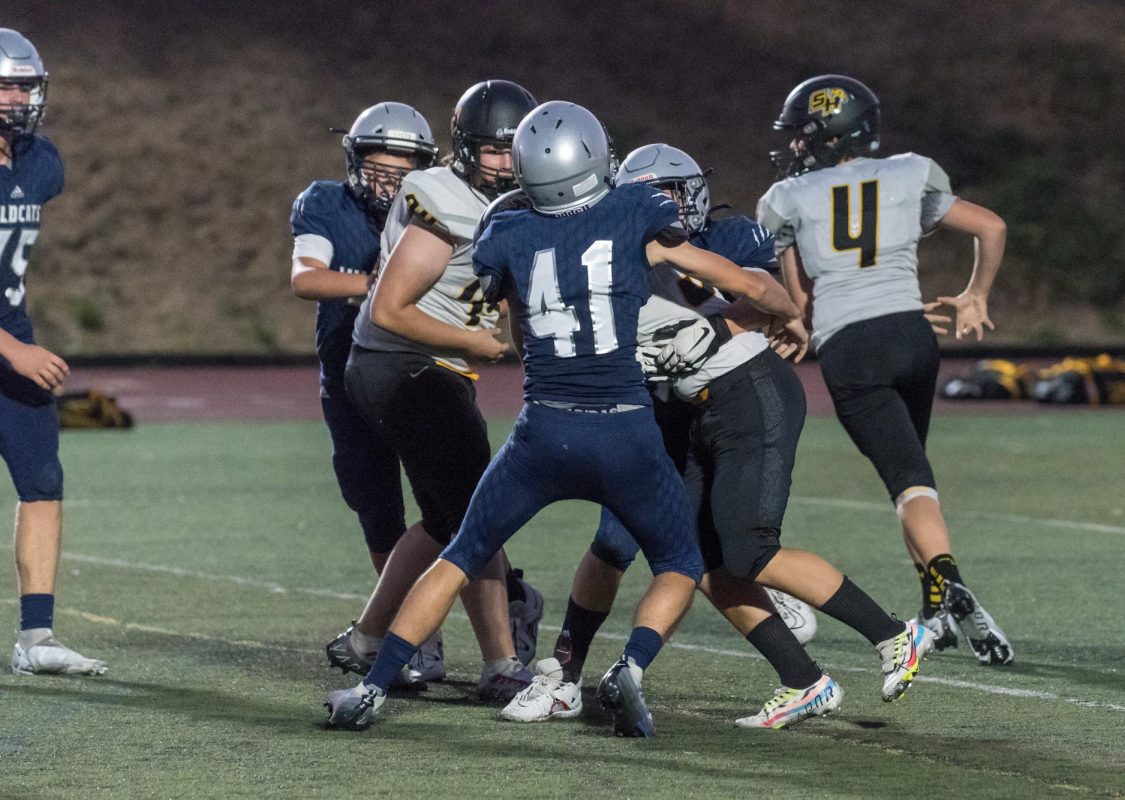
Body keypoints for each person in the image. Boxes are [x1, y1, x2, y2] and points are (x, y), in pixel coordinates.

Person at [324, 101, 804, 736]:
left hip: (544, 430)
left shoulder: (506, 229)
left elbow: (519, 329)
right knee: (683, 560)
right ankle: (630, 669)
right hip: (626, 428)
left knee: (462, 552)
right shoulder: (637, 212)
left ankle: (371, 687)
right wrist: (788, 311)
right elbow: (749, 286)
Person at [502, 144, 932, 730]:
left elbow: (758, 289)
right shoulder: (599, 254)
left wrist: (781, 319)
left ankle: (893, 633)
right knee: (696, 559)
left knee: (748, 546)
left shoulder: (681, 241)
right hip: (682, 407)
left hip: (741, 394)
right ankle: (804, 680)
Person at [757, 74, 1013, 665]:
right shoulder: (908, 170)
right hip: (912, 334)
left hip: (851, 346)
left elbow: (798, 304)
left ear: (826, 136)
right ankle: (935, 601)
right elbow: (992, 226)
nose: (795, 146)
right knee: (913, 478)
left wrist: (790, 327)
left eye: (803, 135)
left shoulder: (786, 198)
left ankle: (945, 579)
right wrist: (976, 295)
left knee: (906, 483)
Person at [323, 81, 543, 699]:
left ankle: (367, 637)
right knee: (480, 514)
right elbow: (391, 308)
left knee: (445, 520)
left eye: (514, 150)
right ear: (466, 149)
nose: (505, 163)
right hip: (404, 363)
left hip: (425, 370)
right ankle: (502, 664)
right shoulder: (442, 194)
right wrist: (476, 343)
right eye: (493, 151)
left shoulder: (518, 203)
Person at [290, 101, 437, 576]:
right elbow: (306, 278)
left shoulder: (435, 215)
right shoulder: (327, 204)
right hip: (348, 376)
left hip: (418, 378)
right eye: (378, 169)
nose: (388, 183)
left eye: (401, 172)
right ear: (355, 163)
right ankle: (404, 630)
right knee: (375, 507)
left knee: (451, 504)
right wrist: (379, 288)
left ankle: (512, 599)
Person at [1, 28, 107, 676]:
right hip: (8, 345)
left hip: (9, 337)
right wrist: (13, 348)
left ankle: (35, 638)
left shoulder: (41, 162)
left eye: (25, 86)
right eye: (5, 85)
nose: (17, 98)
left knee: (42, 480)